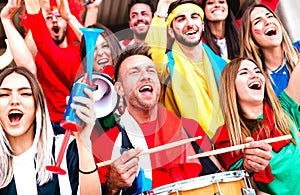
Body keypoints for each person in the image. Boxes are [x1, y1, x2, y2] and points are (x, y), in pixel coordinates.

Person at [92, 43, 224, 194]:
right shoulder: (104, 145)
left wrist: (248, 169)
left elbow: (223, 180)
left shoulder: (190, 129)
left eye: (151, 71)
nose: (145, 76)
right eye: (134, 72)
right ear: (119, 89)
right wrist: (112, 186)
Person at [0, 66, 100, 194]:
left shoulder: (64, 148)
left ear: (39, 106)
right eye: (4, 94)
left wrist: (84, 141)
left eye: (25, 93)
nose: (14, 101)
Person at [213, 57, 300, 194]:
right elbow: (244, 188)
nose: (254, 75)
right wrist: (249, 168)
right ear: (231, 86)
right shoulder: (228, 136)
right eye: (244, 73)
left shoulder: (284, 109)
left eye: (257, 71)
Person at [145, 0, 228, 138]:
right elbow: (150, 56)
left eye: (194, 17)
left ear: (202, 26)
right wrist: (163, 7)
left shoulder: (225, 65)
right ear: (170, 31)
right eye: (181, 19)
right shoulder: (165, 67)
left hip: (231, 147)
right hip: (190, 150)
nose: (189, 24)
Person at [239, 4, 300, 97]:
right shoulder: (257, 82)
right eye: (257, 21)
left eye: (270, 16)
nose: (267, 22)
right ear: (250, 37)